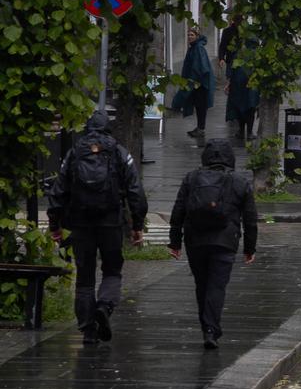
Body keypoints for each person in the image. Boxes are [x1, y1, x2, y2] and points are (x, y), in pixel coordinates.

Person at [47, 111, 148, 346]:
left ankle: (88, 330)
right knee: (112, 270)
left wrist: (55, 224)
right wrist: (137, 225)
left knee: (84, 277)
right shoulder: (119, 152)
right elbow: (135, 190)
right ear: (108, 129)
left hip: (80, 223)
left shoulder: (74, 153)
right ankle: (104, 305)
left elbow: (58, 191)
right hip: (110, 221)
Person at [168, 138, 257, 349]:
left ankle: (206, 325)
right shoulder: (240, 181)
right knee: (217, 286)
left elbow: (178, 211)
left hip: (195, 239)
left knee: (202, 284)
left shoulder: (191, 178)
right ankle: (210, 329)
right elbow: (250, 219)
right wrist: (249, 248)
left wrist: (175, 242)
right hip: (225, 241)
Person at [180, 25, 215, 137]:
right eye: (188, 35)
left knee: (201, 106)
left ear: (197, 36)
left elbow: (202, 66)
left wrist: (196, 81)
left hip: (200, 83)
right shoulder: (193, 47)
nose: (189, 37)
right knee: (198, 106)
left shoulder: (198, 48)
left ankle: (201, 129)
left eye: (192, 35)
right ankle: (199, 127)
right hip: (195, 82)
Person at [226, 56, 260, 143]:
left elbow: (231, 68)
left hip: (240, 83)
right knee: (249, 106)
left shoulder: (238, 54)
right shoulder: (254, 54)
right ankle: (247, 132)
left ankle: (243, 131)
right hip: (248, 83)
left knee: (242, 106)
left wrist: (229, 82)